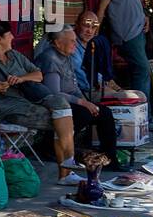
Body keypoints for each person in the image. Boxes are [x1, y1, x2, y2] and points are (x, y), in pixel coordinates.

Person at [0, 21, 84, 184]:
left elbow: (39, 75)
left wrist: (21, 78)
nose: (13, 37)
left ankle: (67, 167)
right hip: (9, 109)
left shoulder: (14, 56)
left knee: (62, 107)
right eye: (9, 35)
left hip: (29, 100)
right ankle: (66, 169)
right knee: (62, 118)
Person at [34, 27, 119, 167]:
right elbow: (54, 93)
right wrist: (83, 103)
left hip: (69, 100)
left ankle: (109, 158)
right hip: (54, 103)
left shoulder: (66, 55)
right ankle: (51, 146)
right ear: (58, 42)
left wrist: (86, 102)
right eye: (72, 41)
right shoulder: (50, 59)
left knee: (104, 113)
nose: (75, 44)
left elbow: (74, 86)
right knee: (84, 114)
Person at [96, 0, 150, 96]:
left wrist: (143, 16)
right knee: (142, 69)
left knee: (138, 70)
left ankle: (138, 111)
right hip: (128, 34)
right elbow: (103, 6)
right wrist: (95, 32)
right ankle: (142, 112)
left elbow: (129, 1)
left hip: (137, 30)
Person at [72, 10, 141, 102]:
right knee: (131, 97)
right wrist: (103, 86)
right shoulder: (72, 45)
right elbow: (84, 80)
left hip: (99, 87)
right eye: (86, 26)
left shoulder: (93, 44)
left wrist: (115, 87)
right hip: (85, 91)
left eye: (93, 27)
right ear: (77, 24)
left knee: (140, 95)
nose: (90, 31)